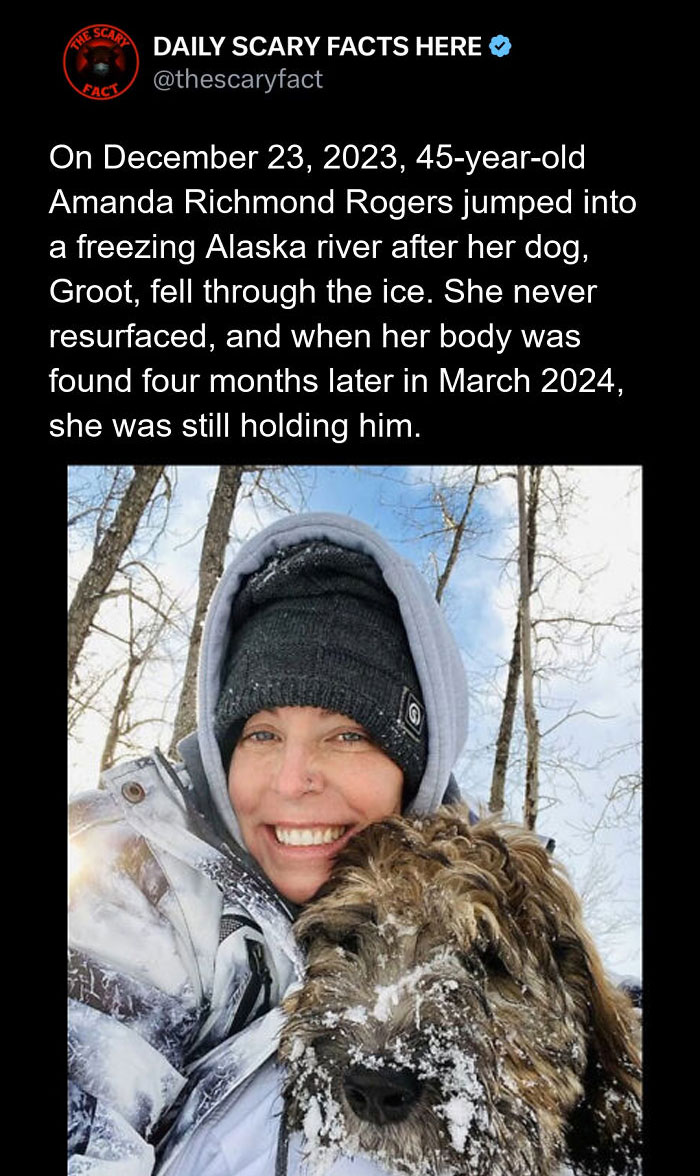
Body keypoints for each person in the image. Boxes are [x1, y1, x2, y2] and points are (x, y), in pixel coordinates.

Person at [68, 511, 470, 1176]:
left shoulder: (485, 914)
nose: (290, 781)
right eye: (261, 734)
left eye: (347, 735)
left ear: (416, 769)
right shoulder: (127, 878)